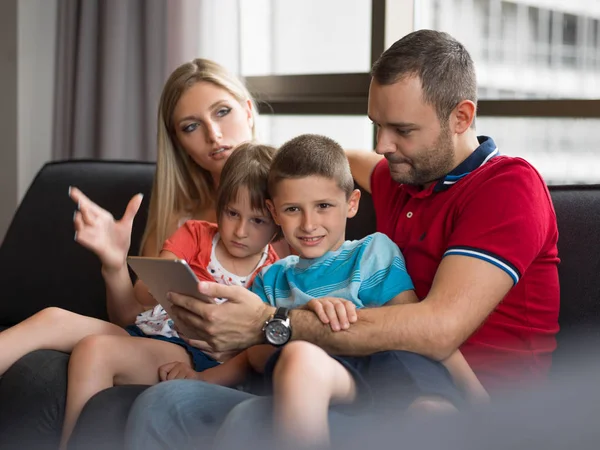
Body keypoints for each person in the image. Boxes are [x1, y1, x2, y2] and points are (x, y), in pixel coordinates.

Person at [124, 30, 559, 450]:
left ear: (461, 117)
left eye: (402, 130)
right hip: (356, 368)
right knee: (164, 406)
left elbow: (438, 330)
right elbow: (324, 164)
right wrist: (251, 171)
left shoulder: (507, 187)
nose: (383, 145)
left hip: (474, 402)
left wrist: (269, 322)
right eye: (377, 125)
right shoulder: (403, 178)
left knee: (250, 421)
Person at [0, 58, 276, 450]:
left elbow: (356, 168)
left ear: (248, 110)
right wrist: (114, 263)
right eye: (191, 127)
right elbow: (132, 314)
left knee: (98, 349)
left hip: (207, 353)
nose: (214, 135)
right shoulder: (184, 220)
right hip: (151, 332)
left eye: (223, 112)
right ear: (179, 141)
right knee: (51, 318)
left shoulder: (288, 205)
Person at [158, 134, 489, 449]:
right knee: (159, 402)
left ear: (351, 203)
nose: (308, 224)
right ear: (274, 213)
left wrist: (483, 405)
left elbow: (416, 331)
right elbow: (254, 354)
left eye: (323, 207)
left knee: (432, 412)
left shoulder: (371, 253)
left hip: (384, 371)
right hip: (307, 377)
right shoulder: (272, 278)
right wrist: (304, 319)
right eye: (292, 210)